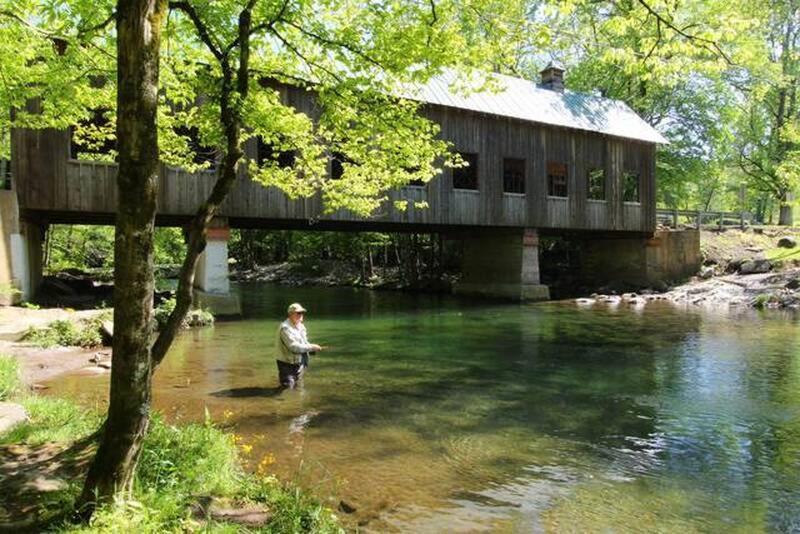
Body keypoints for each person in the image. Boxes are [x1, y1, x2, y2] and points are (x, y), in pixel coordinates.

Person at [276, 302, 323, 387]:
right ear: (290, 314)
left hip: (299, 363)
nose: (301, 315)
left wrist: (312, 349)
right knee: (287, 389)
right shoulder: (285, 328)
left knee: (297, 386)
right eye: (298, 313)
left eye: (302, 313)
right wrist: (311, 347)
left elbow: (304, 342)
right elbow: (293, 347)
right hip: (287, 364)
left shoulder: (301, 326)